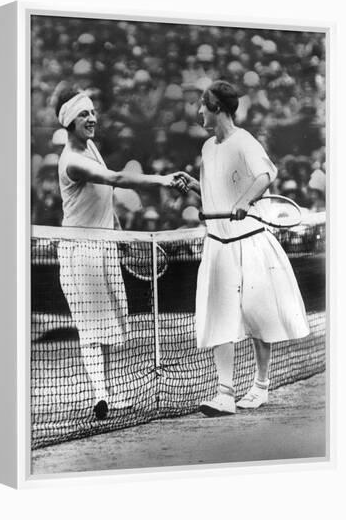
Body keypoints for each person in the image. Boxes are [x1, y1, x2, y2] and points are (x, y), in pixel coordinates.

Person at [55, 90, 188, 420]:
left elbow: (106, 193)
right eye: (84, 115)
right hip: (79, 251)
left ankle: (108, 394)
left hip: (104, 245)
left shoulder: (91, 146)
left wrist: (118, 233)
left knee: (108, 328)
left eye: (93, 113)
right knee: (90, 328)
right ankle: (100, 395)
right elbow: (114, 177)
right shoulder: (72, 161)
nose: (92, 119)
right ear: (70, 122)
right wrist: (162, 179)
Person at [183, 80, 309, 415]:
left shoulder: (245, 141)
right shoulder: (208, 148)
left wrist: (243, 202)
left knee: (258, 315)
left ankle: (261, 386)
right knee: (219, 317)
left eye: (202, 105)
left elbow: (267, 173)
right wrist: (196, 187)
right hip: (219, 246)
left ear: (218, 109)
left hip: (250, 242)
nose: (198, 112)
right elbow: (217, 192)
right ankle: (224, 394)